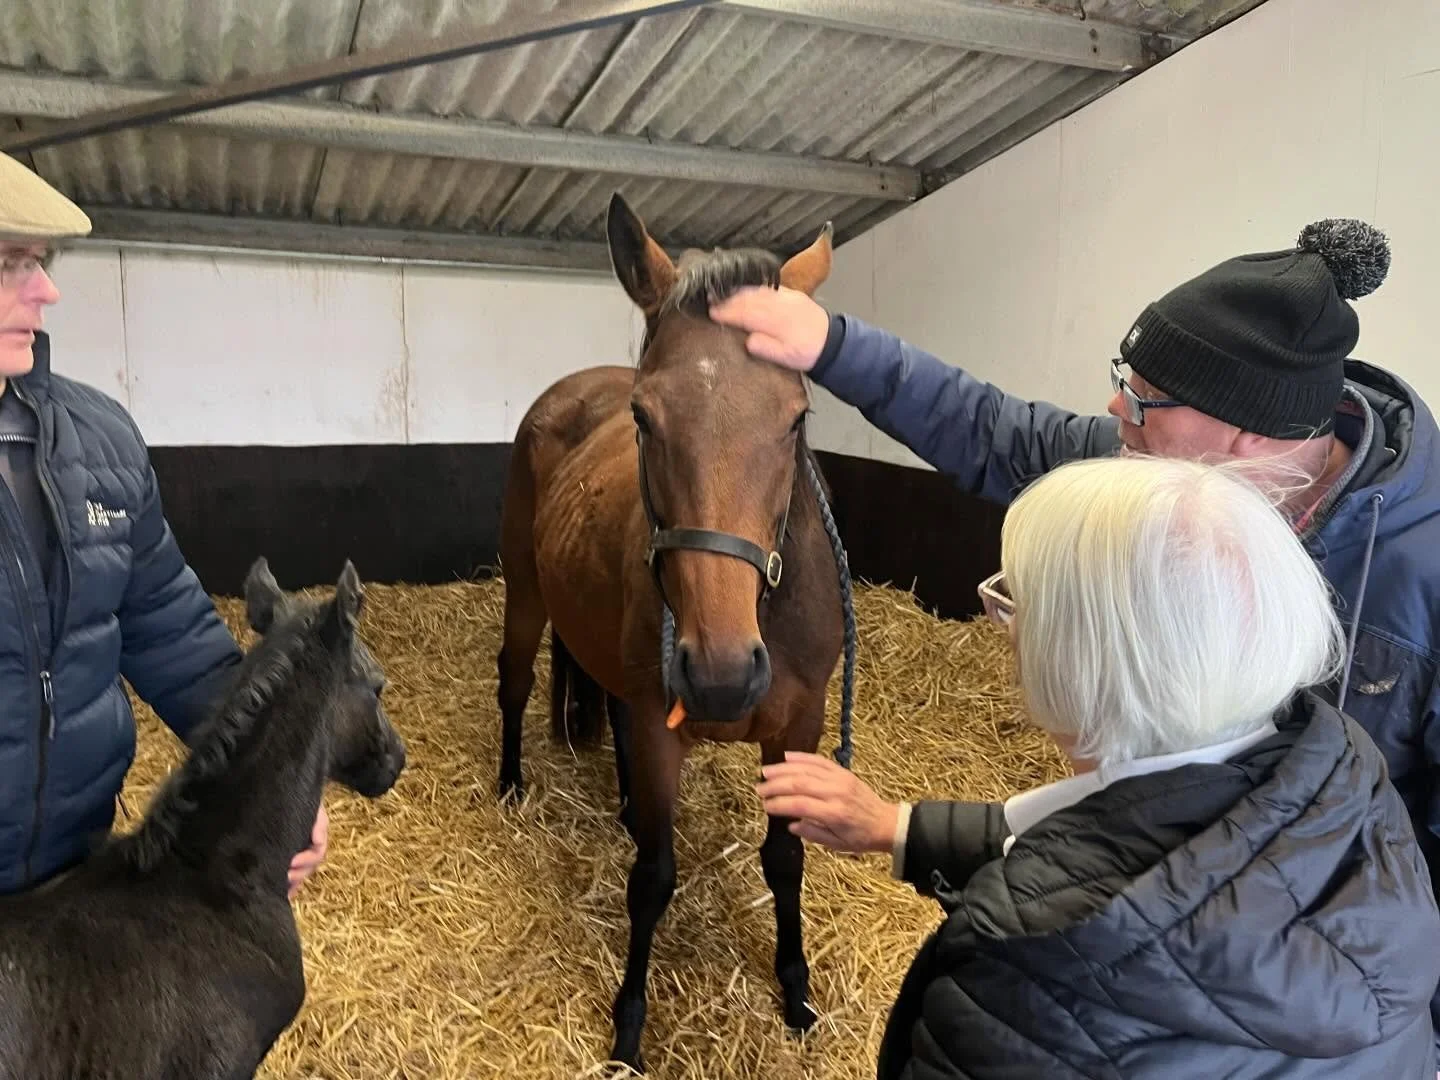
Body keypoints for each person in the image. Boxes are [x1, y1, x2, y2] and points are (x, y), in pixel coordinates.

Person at [711, 218, 1440, 918]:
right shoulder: (1157, 472)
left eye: (1148, 398)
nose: (1117, 405)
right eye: (1127, 376)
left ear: (1247, 430)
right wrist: (833, 345)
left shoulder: (1417, 573)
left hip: (1327, 954)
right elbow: (996, 433)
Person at [757, 454, 1440, 1077]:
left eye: (1016, 603)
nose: (1005, 628)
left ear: (1086, 662)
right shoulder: (1348, 786)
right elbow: (1141, 852)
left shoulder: (1028, 976)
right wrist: (895, 828)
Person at [0, 150, 326, 898]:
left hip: (75, 879)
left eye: (40, 261)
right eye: (13, 263)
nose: (46, 290)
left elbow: (169, 630)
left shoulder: (100, 440)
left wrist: (272, 779)